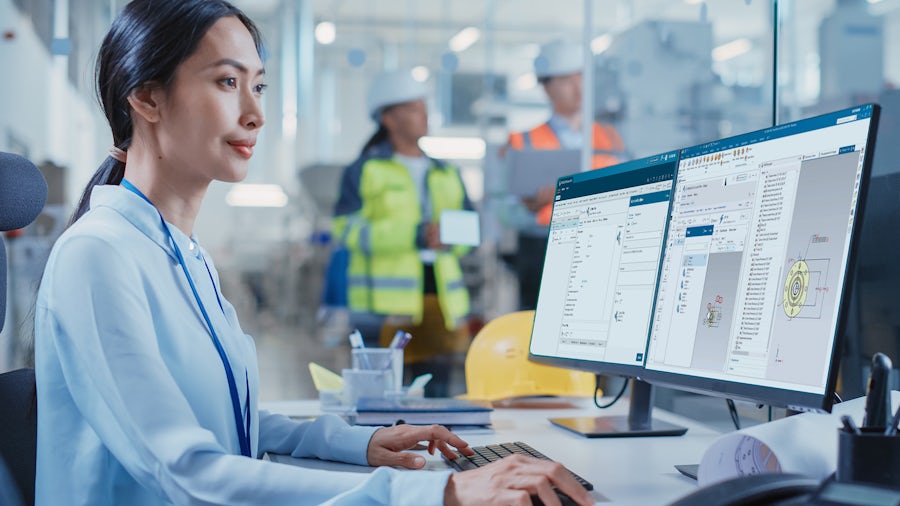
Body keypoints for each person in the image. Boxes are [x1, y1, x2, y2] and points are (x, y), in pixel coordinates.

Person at [33, 1, 593, 504]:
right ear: (147, 97)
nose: (256, 114)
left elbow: (236, 426)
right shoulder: (99, 255)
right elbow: (186, 472)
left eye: (259, 87)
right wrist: (437, 490)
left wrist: (366, 443)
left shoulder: (183, 255)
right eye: (228, 82)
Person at [333, 70, 475, 398]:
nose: (423, 115)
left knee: (438, 395)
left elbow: (471, 228)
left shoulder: (447, 172)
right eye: (413, 108)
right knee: (380, 398)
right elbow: (347, 230)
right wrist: (415, 235)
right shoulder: (365, 170)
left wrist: (451, 237)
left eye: (423, 107)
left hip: (439, 300)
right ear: (389, 119)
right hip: (383, 307)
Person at [503, 38, 626, 310]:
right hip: (542, 249)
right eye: (567, 79)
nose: (578, 87)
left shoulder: (611, 138)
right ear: (546, 86)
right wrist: (531, 206)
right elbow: (503, 210)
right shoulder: (523, 141)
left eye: (582, 77)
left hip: (602, 245)